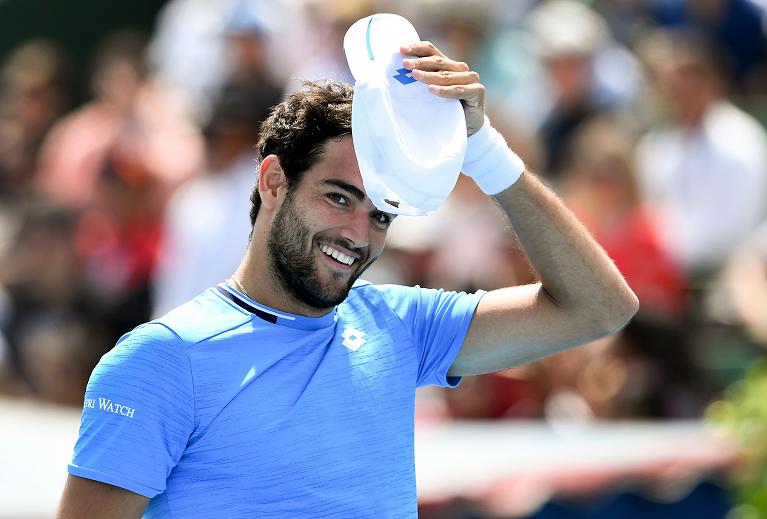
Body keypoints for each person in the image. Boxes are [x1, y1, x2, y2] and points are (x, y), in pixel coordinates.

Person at [57, 41, 638, 518]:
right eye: (340, 198)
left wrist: (485, 152)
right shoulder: (159, 361)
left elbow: (601, 307)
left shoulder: (404, 326)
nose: (360, 235)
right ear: (273, 181)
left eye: (381, 214)